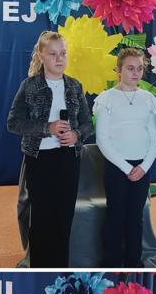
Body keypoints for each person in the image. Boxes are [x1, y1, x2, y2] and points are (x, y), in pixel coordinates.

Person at [7, 31, 93, 268]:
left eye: (63, 53)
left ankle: (60, 269)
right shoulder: (29, 86)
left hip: (68, 159)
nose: (59, 58)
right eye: (53, 54)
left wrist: (76, 135)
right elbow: (13, 123)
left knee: (64, 218)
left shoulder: (74, 86)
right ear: (41, 55)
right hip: (39, 159)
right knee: (42, 219)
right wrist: (48, 127)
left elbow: (87, 123)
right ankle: (39, 268)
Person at [93, 48, 156, 268]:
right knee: (116, 215)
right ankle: (112, 263)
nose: (135, 73)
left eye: (140, 68)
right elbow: (102, 139)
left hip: (141, 167)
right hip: (116, 166)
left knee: (135, 217)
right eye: (130, 68)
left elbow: (155, 138)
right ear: (119, 70)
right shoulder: (106, 99)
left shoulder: (148, 99)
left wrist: (143, 167)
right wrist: (126, 168)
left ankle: (134, 262)